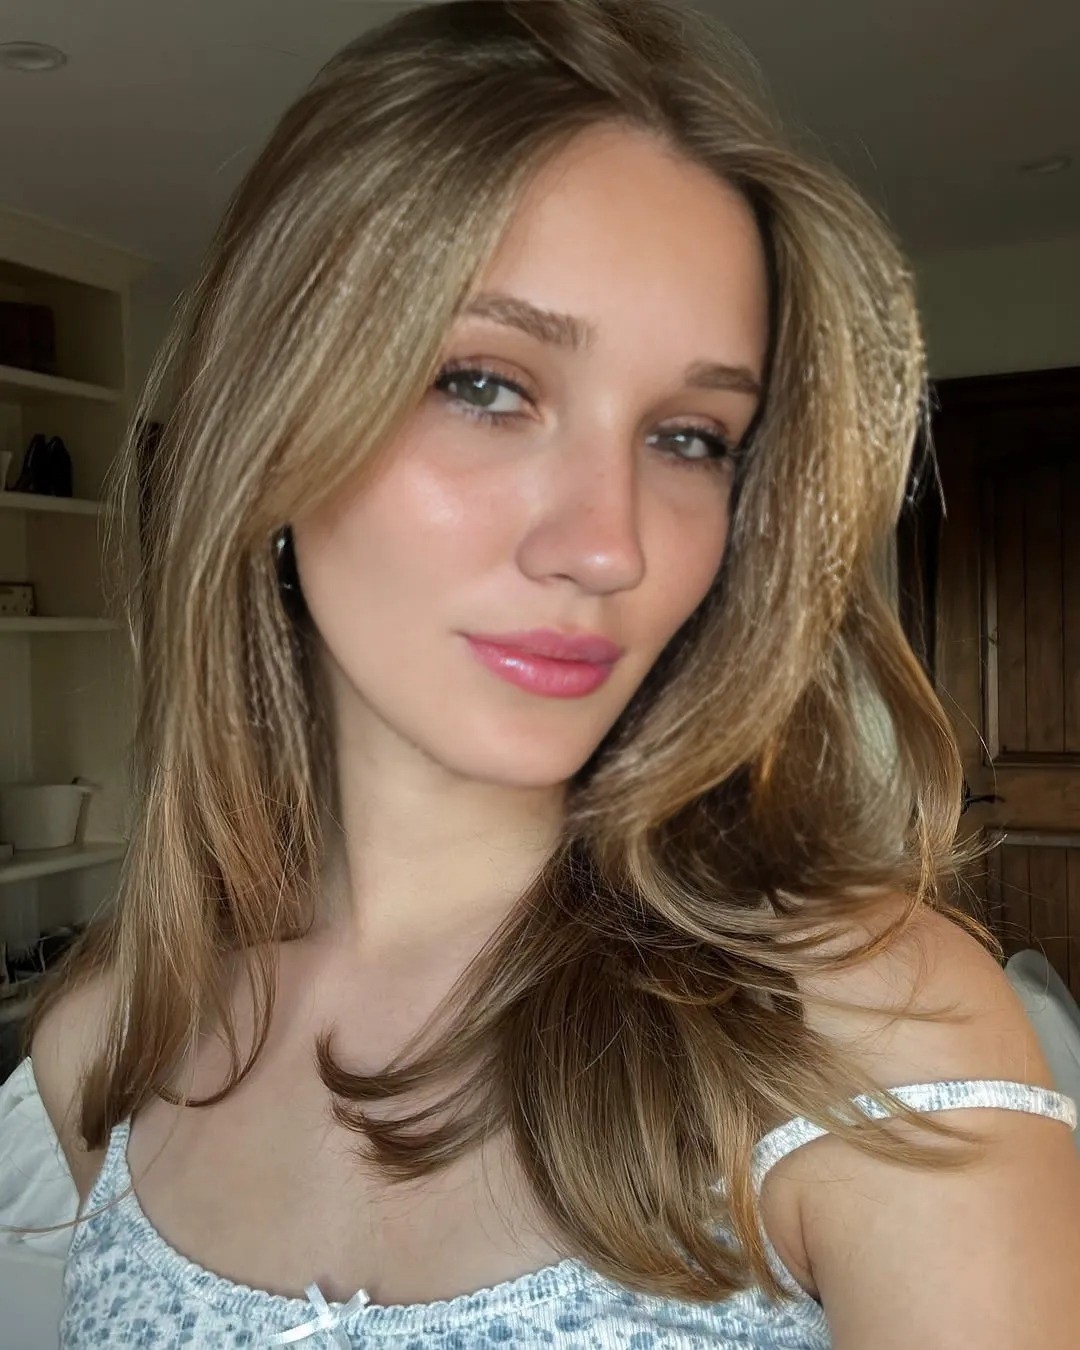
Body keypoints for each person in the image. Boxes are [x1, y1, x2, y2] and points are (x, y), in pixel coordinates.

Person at [3, 1, 1079, 1345]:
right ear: (273, 429)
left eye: (691, 436)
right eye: (486, 385)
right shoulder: (107, 1046)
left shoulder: (873, 1045)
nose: (609, 544)